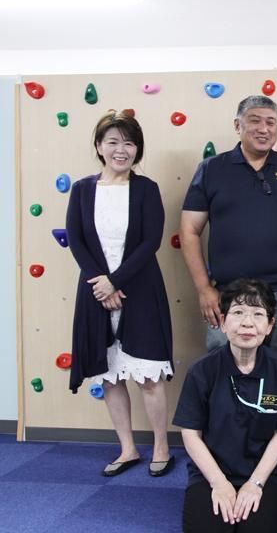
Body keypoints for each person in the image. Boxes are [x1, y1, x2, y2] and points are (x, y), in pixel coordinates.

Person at [180, 95, 277, 477]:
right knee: (224, 369)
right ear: (238, 126)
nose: (264, 129)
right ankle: (224, 448)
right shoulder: (211, 169)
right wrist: (204, 288)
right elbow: (190, 230)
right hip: (229, 296)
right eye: (255, 121)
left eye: (271, 122)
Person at [66, 111, 174, 477]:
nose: (121, 150)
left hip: (140, 290)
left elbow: (151, 241)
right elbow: (76, 240)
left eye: (129, 143)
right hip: (95, 292)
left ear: (137, 149)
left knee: (149, 376)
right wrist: (100, 282)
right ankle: (127, 449)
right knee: (110, 374)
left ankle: (161, 446)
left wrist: (115, 281)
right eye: (112, 142)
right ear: (99, 146)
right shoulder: (82, 189)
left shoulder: (146, 189)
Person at [174, 278, 277, 533]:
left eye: (258, 314)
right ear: (222, 322)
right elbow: (190, 434)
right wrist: (219, 483)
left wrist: (255, 483)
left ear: (270, 325)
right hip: (212, 471)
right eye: (238, 312)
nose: (247, 323)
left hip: (266, 473)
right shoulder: (202, 370)